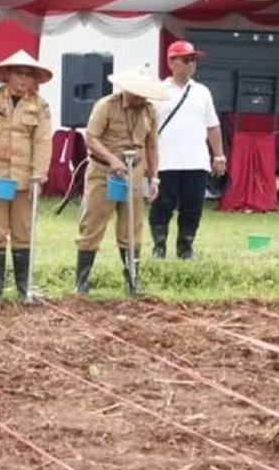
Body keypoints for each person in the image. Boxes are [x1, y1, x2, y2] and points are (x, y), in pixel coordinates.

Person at [74, 64, 165, 296]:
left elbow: (151, 144)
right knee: (92, 224)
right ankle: (82, 282)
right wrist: (112, 160)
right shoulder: (106, 106)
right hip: (103, 172)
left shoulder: (149, 111)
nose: (141, 97)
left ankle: (132, 281)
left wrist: (154, 177)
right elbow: (91, 138)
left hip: (133, 173)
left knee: (132, 227)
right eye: (137, 92)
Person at [0, 51, 52, 302]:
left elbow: (43, 141)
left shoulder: (39, 105)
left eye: (28, 75)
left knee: (23, 230)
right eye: (18, 73)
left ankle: (23, 285)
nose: (23, 79)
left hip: (23, 178)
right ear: (7, 75)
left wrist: (40, 175)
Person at [149, 40, 225, 260]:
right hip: (166, 161)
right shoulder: (158, 91)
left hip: (196, 161)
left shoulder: (202, 91)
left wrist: (218, 154)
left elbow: (212, 125)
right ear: (172, 62)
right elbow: (149, 128)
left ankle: (186, 247)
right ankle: (159, 246)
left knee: (192, 208)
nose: (192, 64)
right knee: (162, 206)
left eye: (194, 60)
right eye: (186, 59)